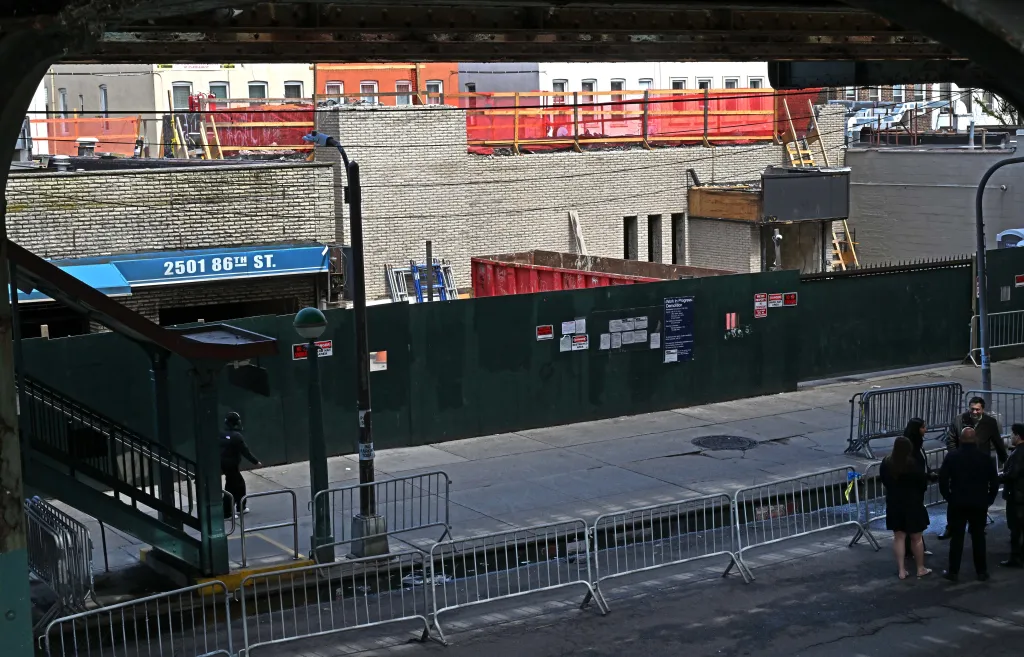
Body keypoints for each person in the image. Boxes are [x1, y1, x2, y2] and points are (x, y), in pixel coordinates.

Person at [937, 397, 1008, 540]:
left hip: (979, 466)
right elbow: (951, 440)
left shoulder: (989, 422)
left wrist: (1005, 461)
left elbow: (997, 442)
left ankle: (977, 527)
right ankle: (951, 527)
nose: (974, 412)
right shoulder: (959, 420)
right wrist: (955, 457)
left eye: (977, 409)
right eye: (972, 409)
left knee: (978, 496)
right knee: (955, 498)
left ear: (983, 409)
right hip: (960, 465)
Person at [938, 427, 1001, 582]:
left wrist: (949, 497)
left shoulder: (952, 457)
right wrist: (989, 499)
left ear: (960, 439)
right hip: (979, 503)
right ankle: (981, 571)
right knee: (979, 537)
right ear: (976, 440)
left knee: (957, 538)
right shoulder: (985, 458)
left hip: (957, 502)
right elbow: (994, 481)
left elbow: (943, 479)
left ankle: (953, 571)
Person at [880, 435, 931, 579]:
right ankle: (920, 568)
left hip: (895, 504)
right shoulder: (913, 464)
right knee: (917, 538)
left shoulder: (886, 462)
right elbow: (922, 484)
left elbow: (884, 480)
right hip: (913, 504)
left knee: (899, 537)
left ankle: (901, 570)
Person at [902, 418, 936, 559]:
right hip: (912, 491)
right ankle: (914, 549)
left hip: (917, 489)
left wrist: (928, 472)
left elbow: (922, 463)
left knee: (914, 520)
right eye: (923, 427)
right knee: (914, 521)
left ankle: (913, 548)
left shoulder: (917, 445)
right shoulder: (910, 448)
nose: (925, 430)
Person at [220, 411, 261, 519]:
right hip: (232, 466)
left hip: (224, 465)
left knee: (238, 485)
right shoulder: (236, 436)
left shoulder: (222, 434)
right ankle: (227, 513)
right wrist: (256, 462)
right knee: (231, 487)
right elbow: (245, 451)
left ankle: (240, 507)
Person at [999, 423, 1024, 568]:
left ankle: (1015, 557)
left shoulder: (1018, 453)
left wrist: (999, 477)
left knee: (1015, 528)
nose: (1011, 436)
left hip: (1017, 496)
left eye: (1013, 434)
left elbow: (1012, 474)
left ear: (1018, 436)